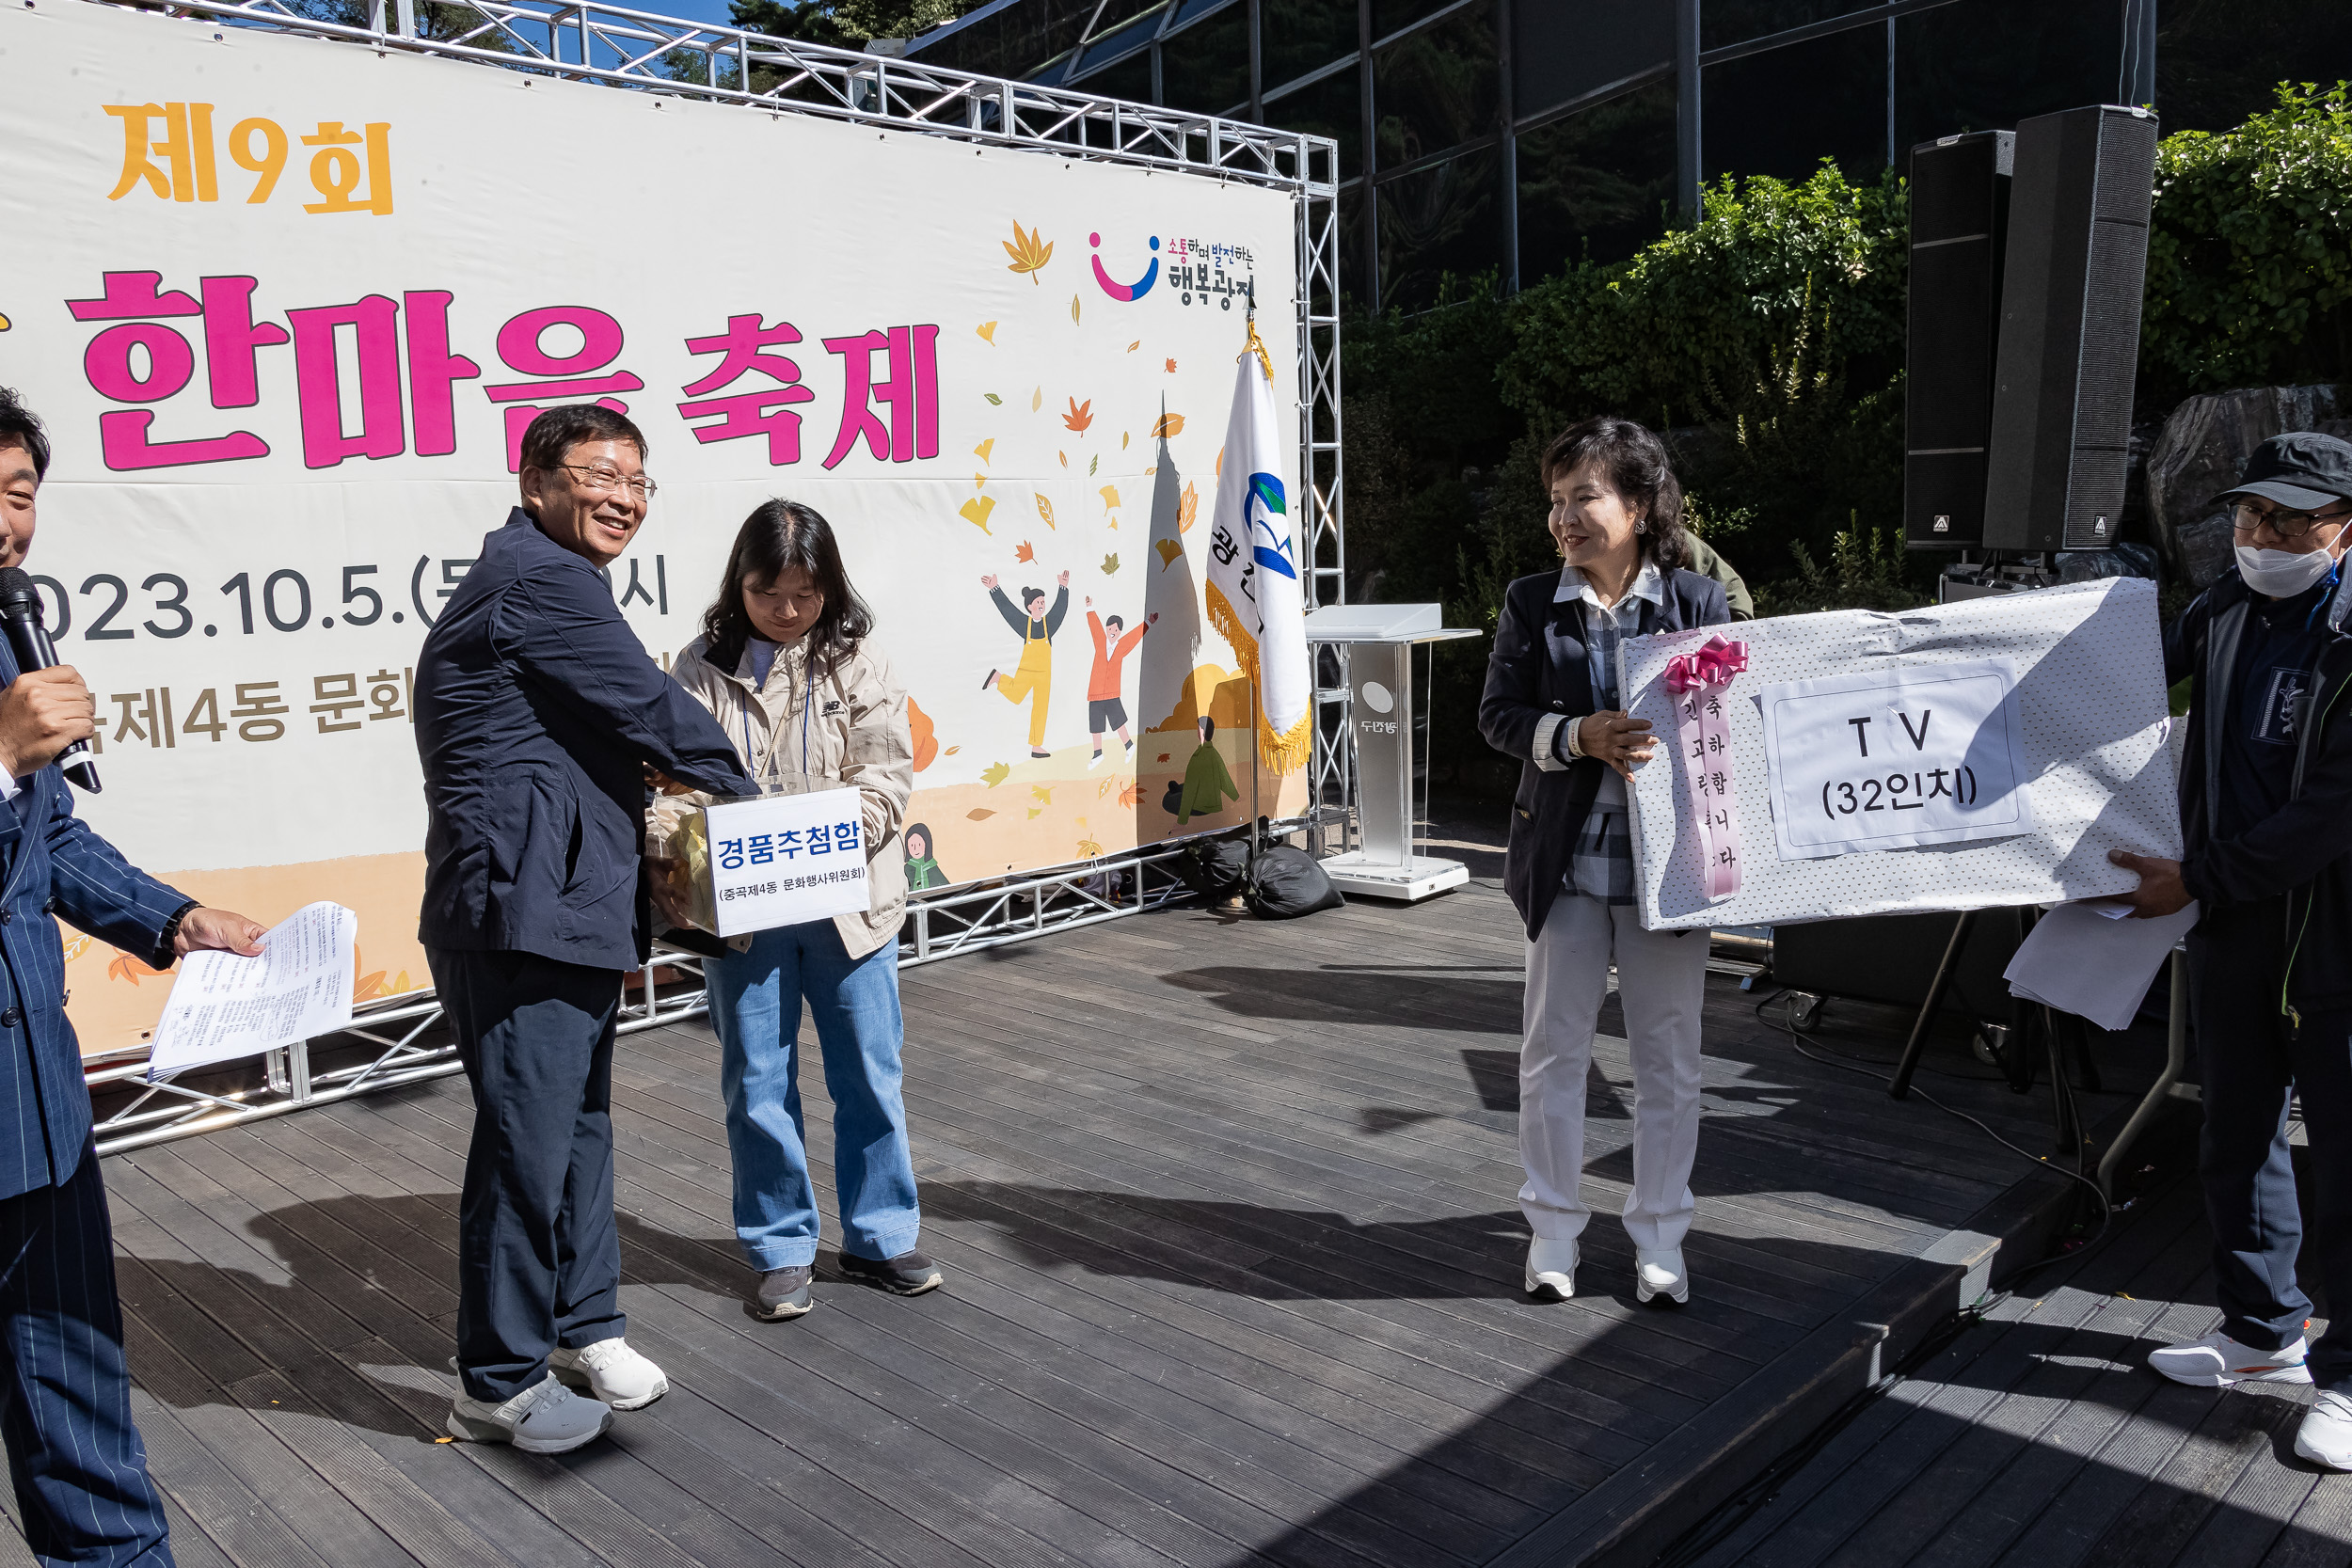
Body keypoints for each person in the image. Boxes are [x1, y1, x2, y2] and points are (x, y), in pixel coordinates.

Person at [415, 405, 757, 1455]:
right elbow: (650, 707)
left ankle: (585, 1323)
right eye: (598, 474)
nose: (622, 496)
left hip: (565, 903)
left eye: (639, 482)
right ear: (533, 481)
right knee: (528, 1140)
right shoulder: (541, 581)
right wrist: (756, 801)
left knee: (579, 1127)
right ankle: (498, 1380)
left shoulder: (543, 579)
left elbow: (602, 729)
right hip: (521, 911)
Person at [0, 388, 269, 1566]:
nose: (8, 524)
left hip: (32, 1102)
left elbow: (48, 837)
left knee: (78, 1406)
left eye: (19, 496)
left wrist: (173, 914)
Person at [2106, 432, 2352, 1470]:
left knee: (2345, 1158)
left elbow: (2331, 814)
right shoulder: (2217, 612)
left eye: (2292, 520)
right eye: (2254, 516)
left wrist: (2193, 879)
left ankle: (2346, 1374)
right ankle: (2259, 1330)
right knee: (2235, 1130)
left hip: (2332, 936)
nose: (2264, 536)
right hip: (2232, 927)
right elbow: (2107, 677)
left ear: (2342, 530)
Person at [648, 499, 938, 1322]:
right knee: (757, 1082)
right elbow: (674, 785)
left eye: (804, 594)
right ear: (738, 583)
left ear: (829, 589)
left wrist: (820, 838)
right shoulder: (698, 667)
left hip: (850, 905)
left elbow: (886, 776)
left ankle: (881, 1235)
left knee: (869, 1075)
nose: (785, 610)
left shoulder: (860, 659)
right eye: (767, 591)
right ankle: (780, 1243)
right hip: (745, 913)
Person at [1477, 415, 1730, 1307]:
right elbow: (1497, 716)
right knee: (1553, 1054)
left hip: (1672, 868)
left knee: (1669, 1060)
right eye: (1556, 501)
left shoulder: (1698, 603)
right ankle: (1552, 1233)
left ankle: (1661, 1238)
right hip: (1568, 864)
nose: (1565, 518)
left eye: (1583, 496)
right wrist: (1574, 734)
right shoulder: (1529, 602)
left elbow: (1734, 724)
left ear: (1638, 503)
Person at [981, 572, 1069, 757]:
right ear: (1030, 606)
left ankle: (1036, 746)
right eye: (1038, 602)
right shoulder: (1024, 624)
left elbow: (1060, 610)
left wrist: (1063, 588)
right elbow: (1009, 611)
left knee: (1041, 708)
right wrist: (995, 589)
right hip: (1027, 670)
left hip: (1044, 674)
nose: (1042, 604)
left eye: (1043, 602)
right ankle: (998, 678)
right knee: (1016, 695)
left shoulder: (1049, 624)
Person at [1083, 598, 1156, 767]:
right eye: (1110, 629)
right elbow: (1095, 628)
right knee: (1095, 725)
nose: (1112, 632)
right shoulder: (1101, 643)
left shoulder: (1122, 646)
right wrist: (1090, 608)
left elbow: (1135, 637)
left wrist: (1148, 622)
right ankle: (1097, 754)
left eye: (1115, 630)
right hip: (1095, 693)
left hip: (1111, 692)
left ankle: (1129, 746)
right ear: (1107, 630)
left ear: (1120, 631)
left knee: (1118, 722)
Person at [1175, 715, 1239, 826]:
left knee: (1174, 794)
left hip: (1200, 806)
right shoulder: (1213, 753)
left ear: (1202, 731)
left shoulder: (1198, 757)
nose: (1196, 731)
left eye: (1198, 728)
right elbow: (1224, 779)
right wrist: (1236, 798)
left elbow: (1190, 791)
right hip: (1214, 805)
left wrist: (1182, 821)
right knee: (1179, 788)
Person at [903, 823, 948, 891]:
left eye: (919, 844)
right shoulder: (907, 868)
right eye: (912, 845)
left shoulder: (932, 866)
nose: (916, 849)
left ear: (926, 843)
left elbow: (945, 887)